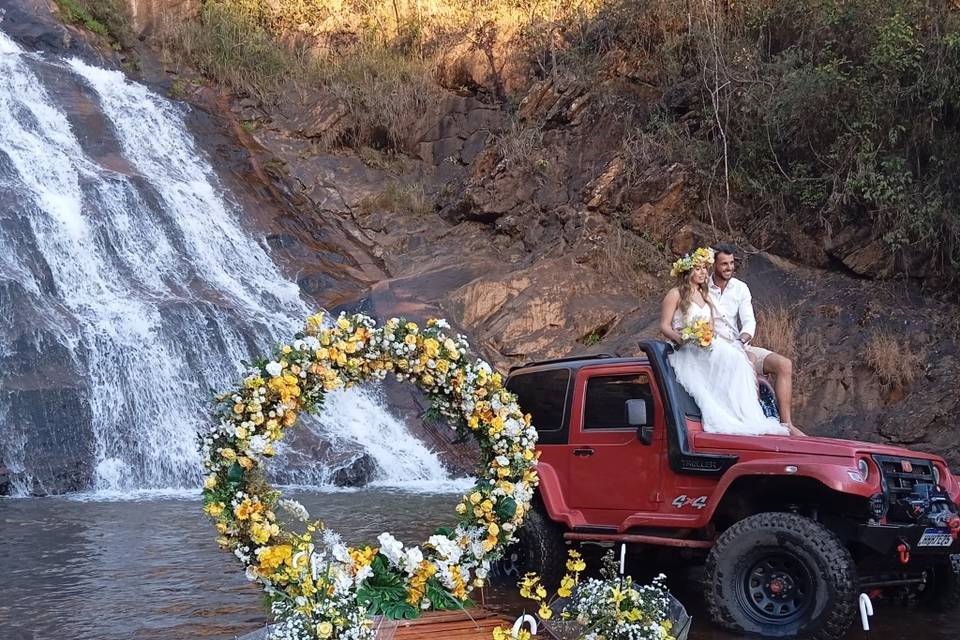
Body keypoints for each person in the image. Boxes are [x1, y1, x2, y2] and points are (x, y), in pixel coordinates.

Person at [659, 247, 790, 436]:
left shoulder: (705, 295)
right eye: (698, 268)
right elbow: (664, 326)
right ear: (687, 271)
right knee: (737, 359)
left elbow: (714, 326)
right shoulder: (675, 294)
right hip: (687, 348)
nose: (704, 272)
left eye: (705, 268)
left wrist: (707, 336)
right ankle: (737, 413)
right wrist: (681, 338)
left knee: (740, 359)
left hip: (706, 344)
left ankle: (748, 414)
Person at [708, 243, 803, 436]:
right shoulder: (703, 289)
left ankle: (787, 424)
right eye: (724, 264)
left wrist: (742, 340)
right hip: (718, 348)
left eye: (732, 263)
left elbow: (749, 321)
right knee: (748, 361)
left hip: (741, 344)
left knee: (784, 364)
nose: (729, 268)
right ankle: (755, 421)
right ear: (714, 265)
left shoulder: (740, 288)